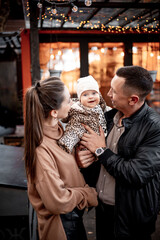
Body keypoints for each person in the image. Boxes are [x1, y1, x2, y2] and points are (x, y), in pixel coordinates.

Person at [76, 66, 160, 240]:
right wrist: (83, 162)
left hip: (132, 217)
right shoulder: (107, 117)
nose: (108, 95)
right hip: (103, 210)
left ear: (133, 99)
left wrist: (101, 150)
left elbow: (136, 174)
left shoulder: (154, 127)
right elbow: (98, 163)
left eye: (114, 91)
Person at [24, 77, 98, 240]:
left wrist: (77, 163)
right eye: (68, 101)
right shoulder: (41, 149)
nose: (72, 104)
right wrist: (87, 194)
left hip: (74, 218)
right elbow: (57, 202)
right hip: (62, 227)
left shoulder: (62, 133)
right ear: (54, 112)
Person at [58, 75, 111, 153]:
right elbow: (74, 129)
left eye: (94, 93)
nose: (90, 97)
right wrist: (66, 144)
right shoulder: (78, 111)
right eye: (85, 95)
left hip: (101, 144)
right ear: (80, 99)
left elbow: (108, 110)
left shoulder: (102, 107)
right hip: (86, 146)